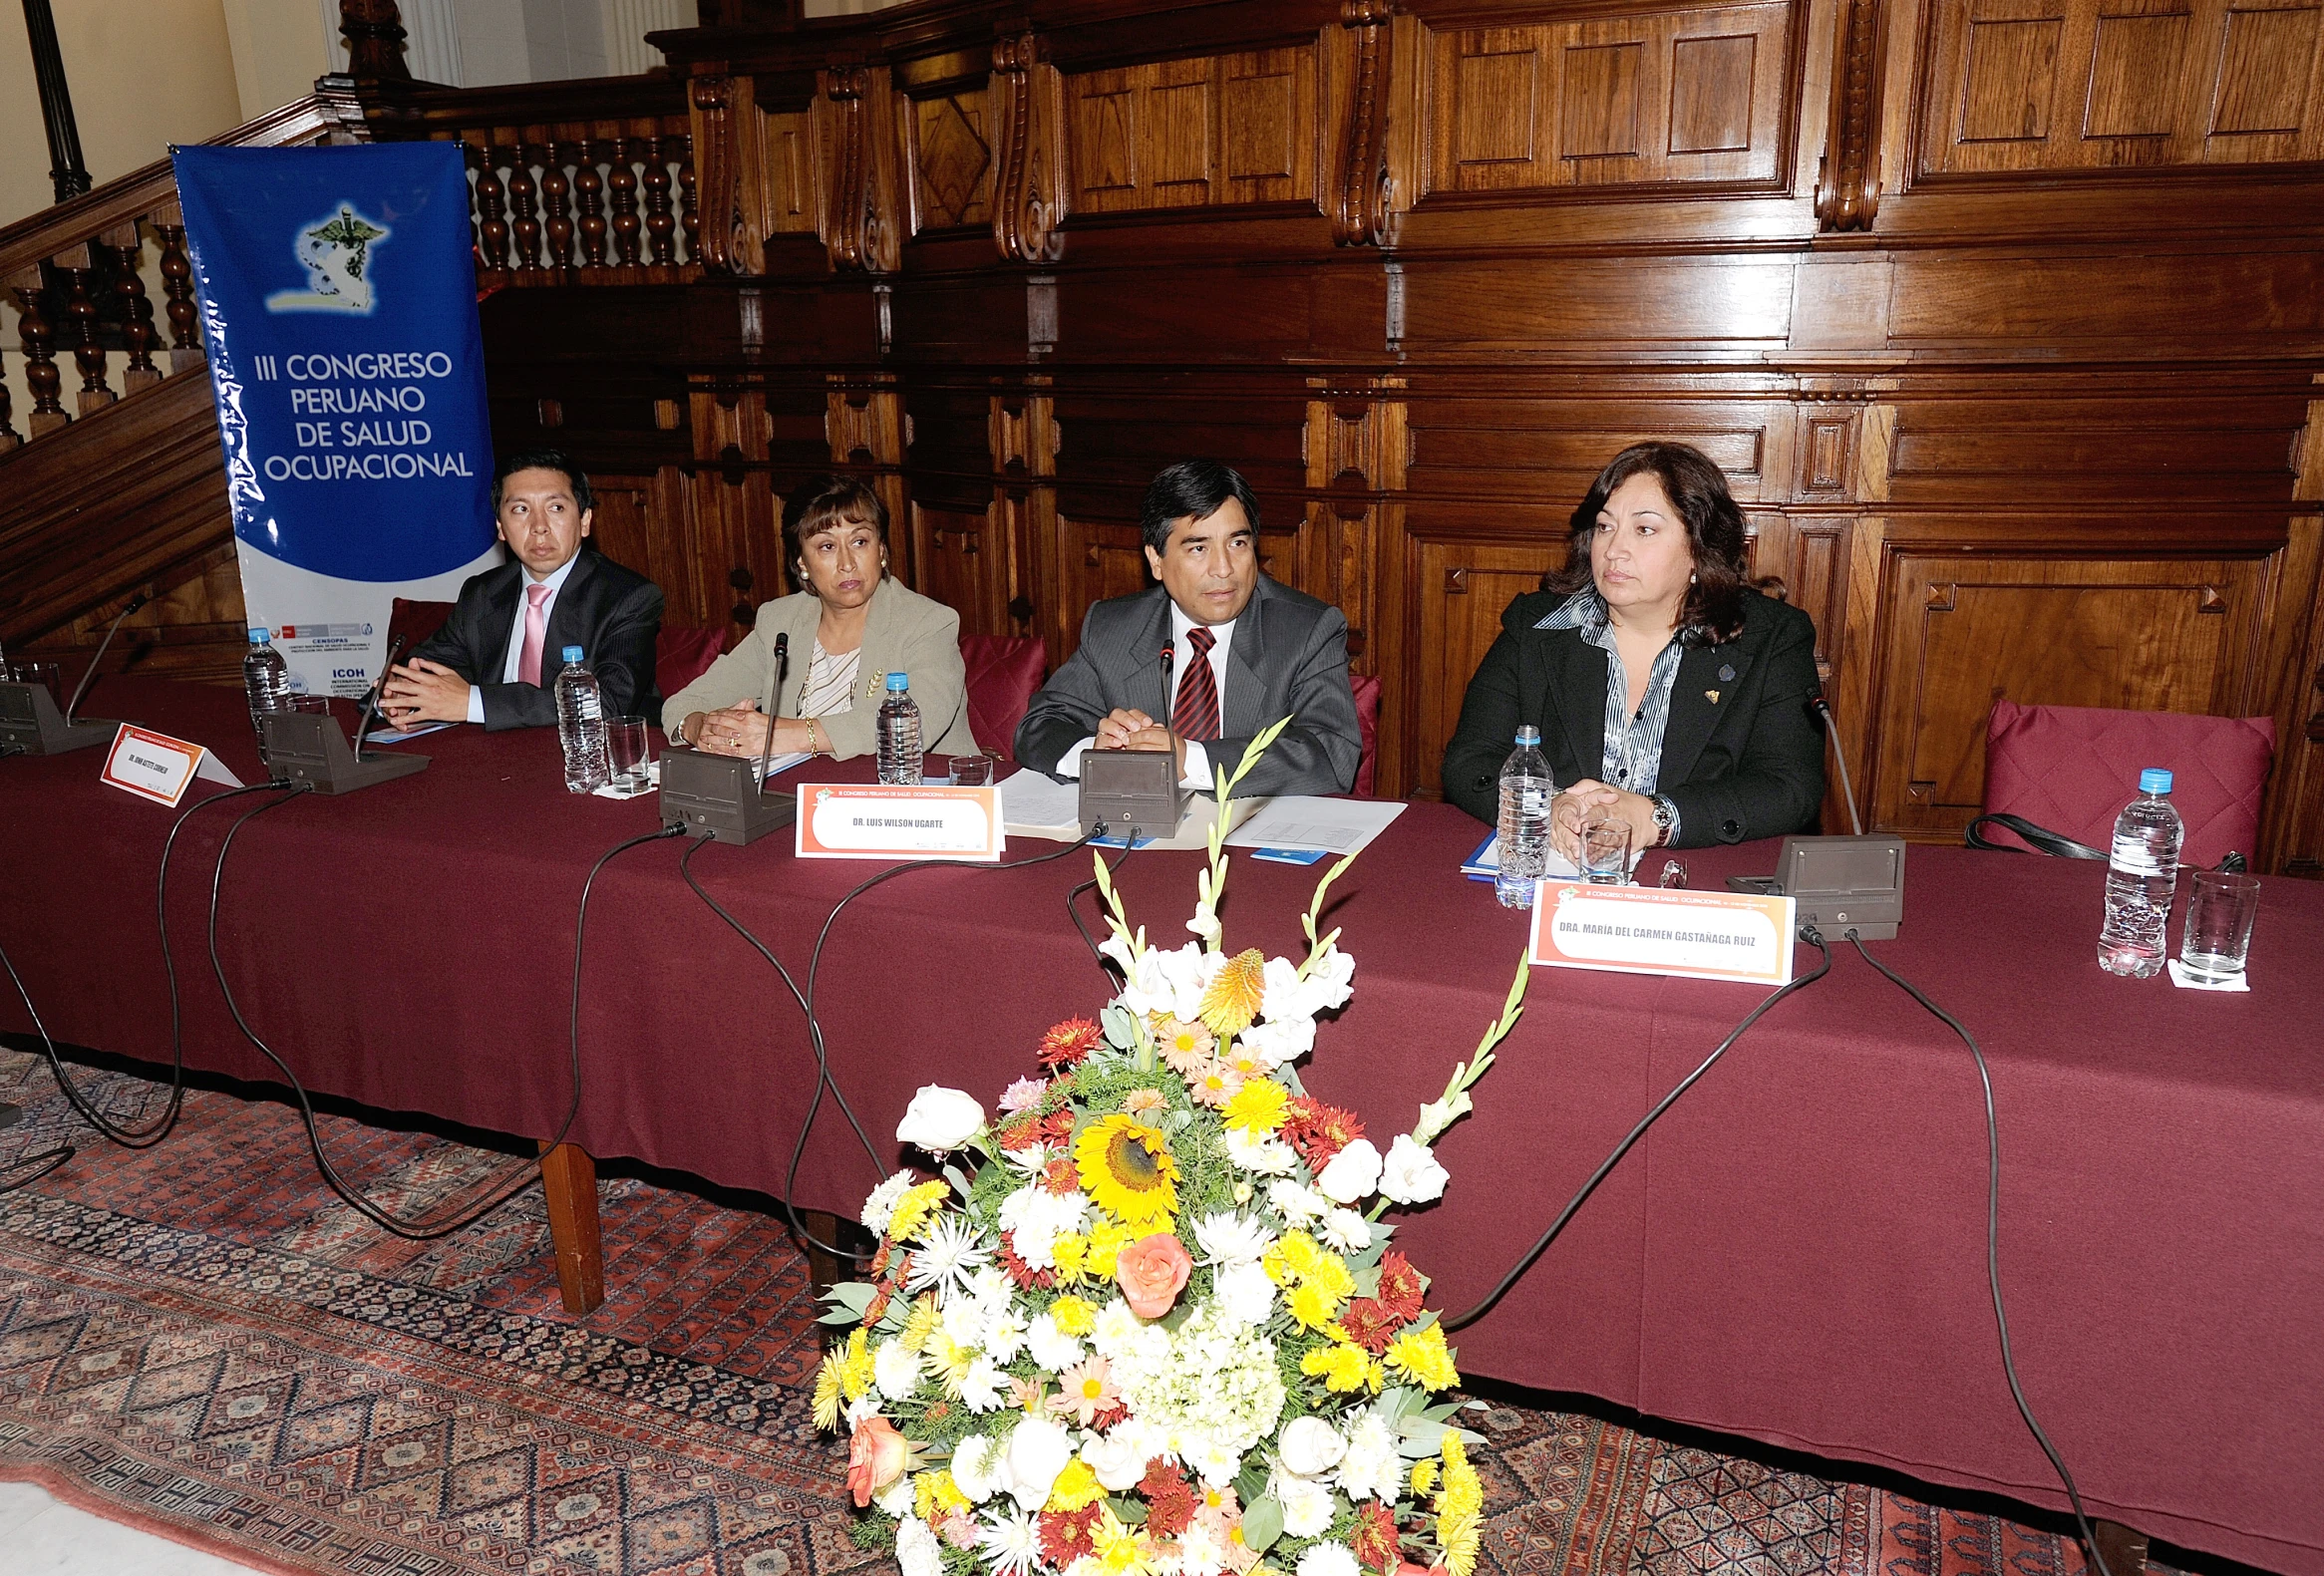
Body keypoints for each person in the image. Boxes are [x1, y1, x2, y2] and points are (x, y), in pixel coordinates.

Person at [1441, 441, 1825, 854]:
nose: (1613, 549)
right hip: (1560, 871)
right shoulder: (1535, 627)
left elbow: (1789, 787)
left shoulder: (1772, 637)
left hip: (1694, 876)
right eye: (1605, 527)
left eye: (1644, 530)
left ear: (1699, 548)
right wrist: (1548, 808)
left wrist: (1653, 818)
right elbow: (1470, 760)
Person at [1015, 460, 1360, 798]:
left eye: (1237, 544)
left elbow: (1332, 754)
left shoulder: (1306, 630)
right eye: (1198, 548)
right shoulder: (1112, 628)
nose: (1224, 569)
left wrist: (1190, 760)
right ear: (1156, 561)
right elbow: (1038, 728)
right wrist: (1095, 754)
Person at [664, 475, 976, 761]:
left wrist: (782, 735)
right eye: (827, 546)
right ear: (802, 563)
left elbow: (912, 728)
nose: (847, 563)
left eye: (859, 542)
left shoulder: (929, 623)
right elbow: (683, 703)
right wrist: (701, 728)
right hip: (800, 799)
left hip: (912, 802)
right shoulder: (781, 621)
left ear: (881, 550)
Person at [381, 450, 662, 730]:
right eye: (521, 510)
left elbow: (607, 704)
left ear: (585, 520)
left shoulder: (628, 597)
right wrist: (395, 697)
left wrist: (472, 703)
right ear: (501, 528)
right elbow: (426, 668)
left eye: (556, 508)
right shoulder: (482, 592)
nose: (539, 527)